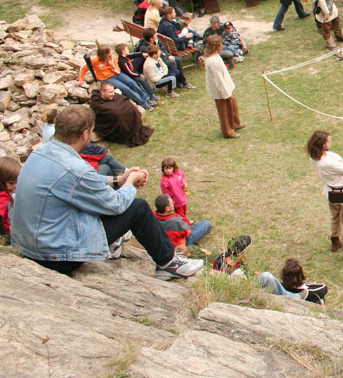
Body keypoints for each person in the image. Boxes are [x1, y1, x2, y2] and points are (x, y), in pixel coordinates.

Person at [9, 105, 202, 279]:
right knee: (139, 208)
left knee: (97, 203)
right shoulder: (74, 168)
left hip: (30, 245)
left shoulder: (41, 153)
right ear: (85, 134)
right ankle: (168, 263)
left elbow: (84, 184)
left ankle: (116, 243)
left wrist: (118, 180)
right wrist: (131, 183)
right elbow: (116, 204)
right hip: (55, 256)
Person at [307, 129, 343, 261]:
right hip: (342, 193)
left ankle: (335, 240)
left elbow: (330, 155)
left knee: (335, 217)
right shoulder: (328, 162)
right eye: (328, 141)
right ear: (322, 144)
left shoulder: (314, 157)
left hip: (330, 191)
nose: (330, 142)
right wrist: (341, 161)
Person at [78, 44, 154, 109]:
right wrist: (81, 80)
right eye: (109, 53)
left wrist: (112, 65)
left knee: (131, 82)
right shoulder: (95, 60)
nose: (111, 54)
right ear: (104, 55)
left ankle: (146, 98)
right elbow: (83, 68)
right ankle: (143, 103)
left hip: (117, 74)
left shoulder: (113, 58)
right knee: (125, 88)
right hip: (106, 78)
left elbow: (117, 71)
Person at [89, 81, 154, 147]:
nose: (113, 94)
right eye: (110, 92)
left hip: (116, 109)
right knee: (118, 114)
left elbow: (122, 99)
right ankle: (126, 134)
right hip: (110, 125)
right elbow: (107, 113)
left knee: (128, 105)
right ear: (102, 93)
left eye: (113, 91)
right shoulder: (96, 103)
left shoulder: (112, 95)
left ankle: (135, 128)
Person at [203, 35, 244, 139]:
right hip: (221, 89)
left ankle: (235, 123)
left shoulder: (215, 56)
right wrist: (225, 93)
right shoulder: (212, 61)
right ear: (217, 45)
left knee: (233, 104)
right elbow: (218, 79)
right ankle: (227, 131)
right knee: (225, 111)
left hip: (226, 86)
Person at [0, 156, 20, 238]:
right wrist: (4, 234)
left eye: (17, 182)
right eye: (11, 183)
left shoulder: (10, 194)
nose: (15, 186)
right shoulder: (3, 196)